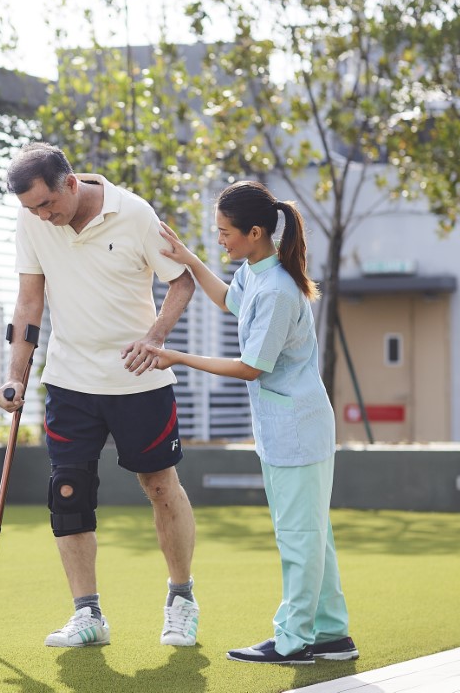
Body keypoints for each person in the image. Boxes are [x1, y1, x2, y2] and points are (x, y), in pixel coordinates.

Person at [140, 180, 357, 665]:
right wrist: (191, 259)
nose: (221, 240)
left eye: (224, 232)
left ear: (255, 232)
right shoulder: (257, 272)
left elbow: (251, 366)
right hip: (285, 427)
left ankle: (294, 639)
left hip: (298, 429)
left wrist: (175, 355)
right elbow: (227, 301)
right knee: (310, 531)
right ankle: (333, 635)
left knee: (299, 537)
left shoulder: (278, 288)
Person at [0, 142, 201, 649]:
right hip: (69, 382)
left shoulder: (133, 214)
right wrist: (16, 377)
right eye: (31, 210)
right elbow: (29, 299)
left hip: (139, 381)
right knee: (67, 494)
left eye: (47, 204)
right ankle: (87, 616)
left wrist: (155, 338)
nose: (43, 216)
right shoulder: (34, 222)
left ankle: (181, 600)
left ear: (70, 182)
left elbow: (183, 282)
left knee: (159, 486)